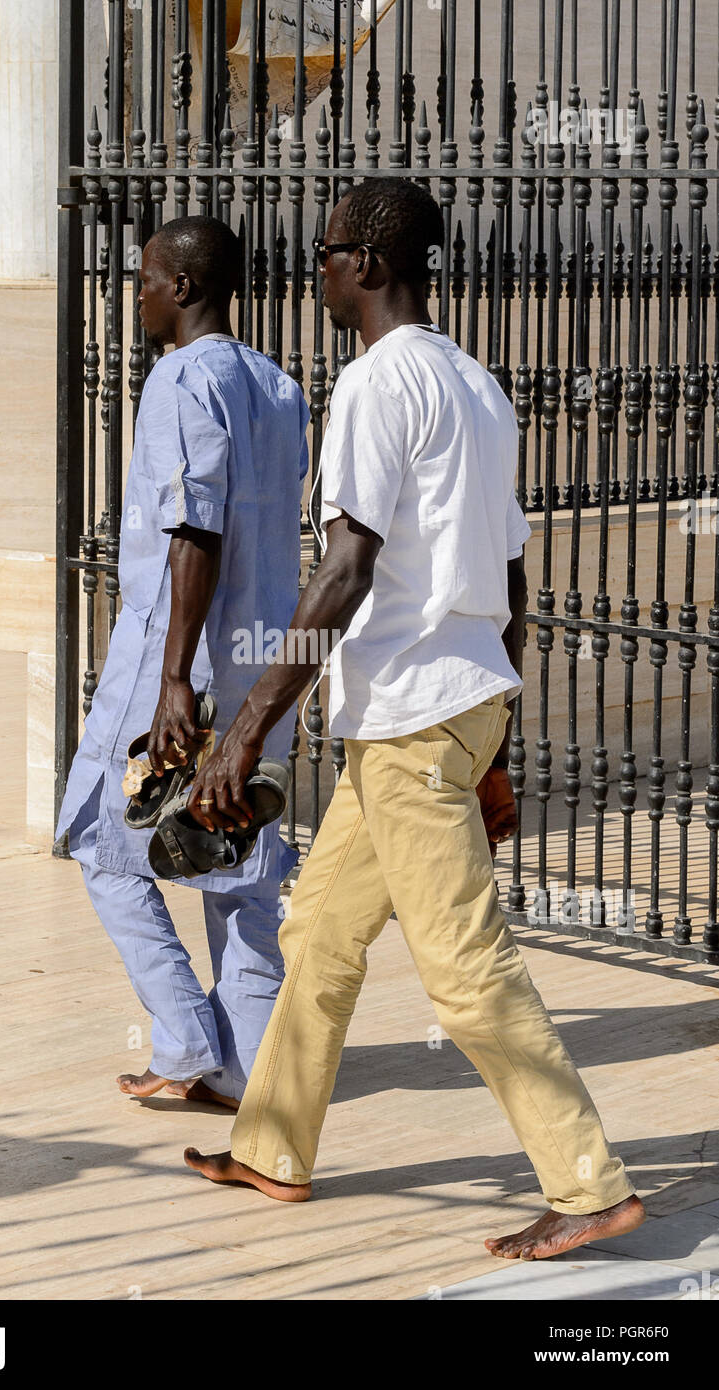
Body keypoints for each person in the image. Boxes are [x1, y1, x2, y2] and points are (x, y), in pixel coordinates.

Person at [182, 179, 645, 1259]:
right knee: (321, 930)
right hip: (449, 704)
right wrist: (495, 732)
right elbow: (517, 571)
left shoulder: (380, 383)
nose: (319, 268)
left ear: (372, 264)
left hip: (410, 722)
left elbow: (345, 568)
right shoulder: (475, 383)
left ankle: (588, 1183)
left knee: (464, 965)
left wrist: (249, 722)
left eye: (330, 250)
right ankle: (273, 1143)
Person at [54, 215, 309, 1109]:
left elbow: (193, 527)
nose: (140, 295)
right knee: (237, 863)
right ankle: (244, 1067)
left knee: (99, 839)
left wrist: (171, 680)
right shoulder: (280, 388)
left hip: (181, 660)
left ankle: (187, 1041)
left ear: (185, 287)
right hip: (259, 664)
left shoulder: (178, 378)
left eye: (147, 279)